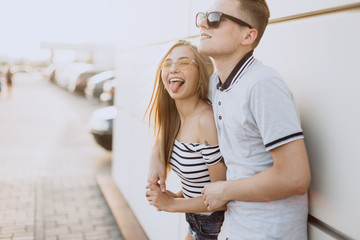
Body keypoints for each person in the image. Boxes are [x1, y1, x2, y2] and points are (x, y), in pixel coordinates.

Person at [148, 0, 311, 239]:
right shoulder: (216, 85)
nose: (203, 23)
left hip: (268, 233)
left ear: (248, 35)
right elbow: (181, 115)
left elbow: (295, 176)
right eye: (203, 16)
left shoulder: (263, 85)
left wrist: (224, 190)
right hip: (232, 229)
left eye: (214, 19)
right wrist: (156, 158)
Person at [145, 40, 227, 240]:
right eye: (167, 63)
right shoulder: (175, 117)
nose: (173, 69)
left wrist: (172, 204)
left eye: (183, 63)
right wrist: (179, 195)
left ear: (200, 75)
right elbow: (201, 180)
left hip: (214, 227)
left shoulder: (205, 121)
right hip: (195, 222)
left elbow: (222, 197)